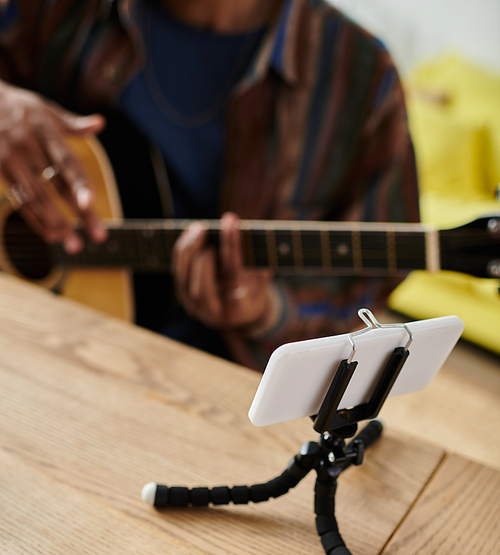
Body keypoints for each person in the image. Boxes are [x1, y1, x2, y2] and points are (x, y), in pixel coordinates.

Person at [0, 0, 419, 369]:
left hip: (205, 386)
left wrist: (268, 311)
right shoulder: (62, 8)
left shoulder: (360, 76)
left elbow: (364, 290)